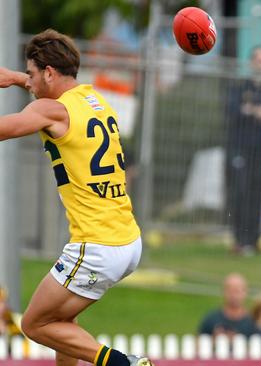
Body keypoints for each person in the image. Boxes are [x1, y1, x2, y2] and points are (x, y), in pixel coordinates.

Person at [0, 29, 150, 366]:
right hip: (127, 240)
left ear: (49, 73)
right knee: (61, 322)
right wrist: (17, 78)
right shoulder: (95, 101)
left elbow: (5, 128)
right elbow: (49, 91)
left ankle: (122, 363)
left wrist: (22, 84)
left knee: (35, 323)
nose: (30, 82)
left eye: (32, 73)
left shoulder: (51, 110)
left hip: (96, 246)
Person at [224, 45, 261, 255]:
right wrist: (260, 111)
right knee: (240, 193)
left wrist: (258, 111)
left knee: (257, 195)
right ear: (251, 63)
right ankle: (239, 239)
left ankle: (253, 239)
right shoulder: (240, 88)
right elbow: (233, 111)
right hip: (241, 149)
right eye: (257, 59)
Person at [198, 273, 256, 338]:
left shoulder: (253, 322)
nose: (234, 296)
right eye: (230, 291)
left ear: (245, 292)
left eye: (237, 291)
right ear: (224, 291)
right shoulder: (211, 319)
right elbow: (199, 342)